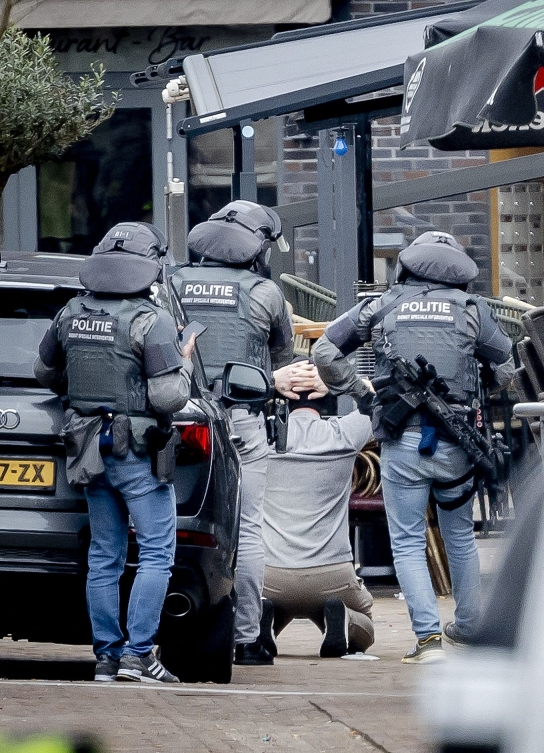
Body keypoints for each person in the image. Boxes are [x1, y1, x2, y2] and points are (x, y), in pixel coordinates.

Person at [312, 231, 514, 663]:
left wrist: (362, 394)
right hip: (458, 444)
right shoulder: (473, 309)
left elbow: (325, 350)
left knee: (405, 541)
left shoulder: (380, 305)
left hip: (401, 442)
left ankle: (427, 641)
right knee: (459, 534)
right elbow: (506, 368)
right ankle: (470, 630)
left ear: (407, 265)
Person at [34, 222, 196, 683]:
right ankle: (139, 655)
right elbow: (168, 398)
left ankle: (106, 656)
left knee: (104, 554)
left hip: (87, 447)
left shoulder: (70, 313)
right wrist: (183, 360)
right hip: (137, 452)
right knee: (157, 553)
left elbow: (44, 372)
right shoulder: (152, 319)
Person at [170, 200, 296, 665]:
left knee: (167, 524)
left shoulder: (173, 284)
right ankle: (247, 639)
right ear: (256, 247)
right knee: (246, 528)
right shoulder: (266, 294)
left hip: (179, 423)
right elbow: (282, 362)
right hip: (240, 423)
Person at [258, 361, 376, 658]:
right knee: (366, 625)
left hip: (269, 574)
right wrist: (339, 381)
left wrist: (271, 380)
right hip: (331, 575)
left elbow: (223, 409)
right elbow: (377, 398)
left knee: (251, 610)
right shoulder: (345, 434)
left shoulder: (261, 437)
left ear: (284, 395)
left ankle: (264, 621)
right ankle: (342, 620)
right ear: (328, 396)